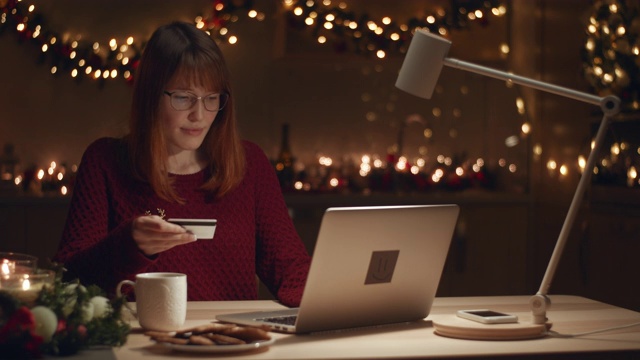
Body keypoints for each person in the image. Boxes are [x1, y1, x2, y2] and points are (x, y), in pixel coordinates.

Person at [53, 21, 310, 307]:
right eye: (183, 98)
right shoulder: (105, 161)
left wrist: (342, 296)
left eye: (211, 98)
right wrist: (129, 245)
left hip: (231, 344)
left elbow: (290, 270)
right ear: (152, 95)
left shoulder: (250, 164)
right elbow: (68, 283)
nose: (199, 115)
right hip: (139, 344)